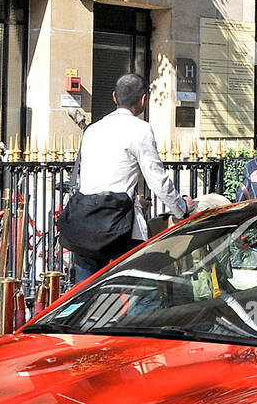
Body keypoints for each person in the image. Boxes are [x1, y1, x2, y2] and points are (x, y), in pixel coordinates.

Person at [62, 73, 192, 285]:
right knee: (140, 289)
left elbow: (95, 180)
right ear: (143, 99)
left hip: (87, 222)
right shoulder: (140, 129)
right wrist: (181, 208)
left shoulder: (93, 130)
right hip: (119, 226)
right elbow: (158, 180)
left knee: (83, 294)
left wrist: (136, 205)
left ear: (114, 97)